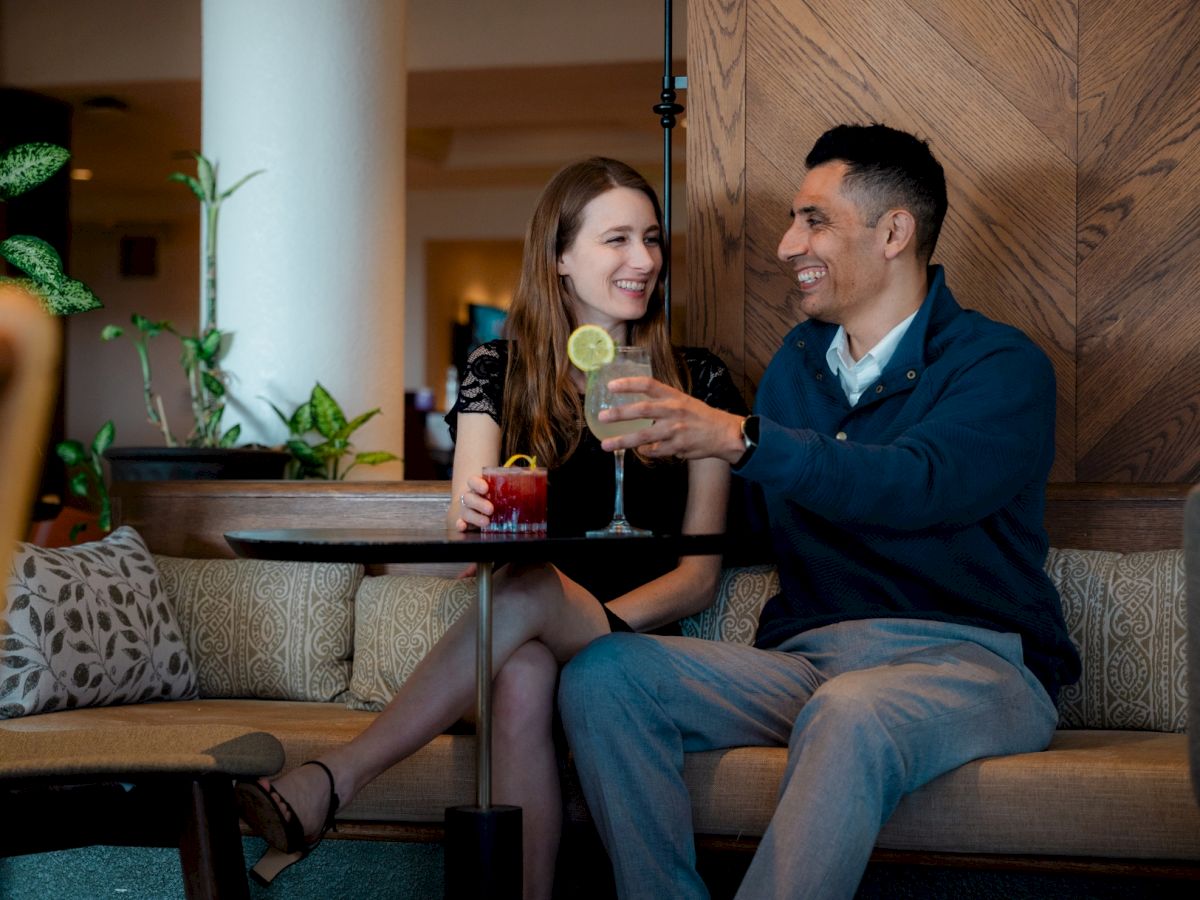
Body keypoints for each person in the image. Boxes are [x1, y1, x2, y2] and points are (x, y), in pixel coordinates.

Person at [557, 124, 1083, 899]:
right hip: (809, 663)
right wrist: (661, 463)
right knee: (603, 675)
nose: (784, 244)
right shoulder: (794, 371)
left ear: (895, 232)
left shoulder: (1000, 366)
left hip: (972, 664)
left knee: (849, 713)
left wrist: (737, 438)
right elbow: (764, 516)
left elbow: (914, 484)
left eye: (814, 220)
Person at [235, 157, 746, 898]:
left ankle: (336, 778)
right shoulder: (496, 370)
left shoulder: (698, 381)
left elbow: (699, 577)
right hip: (515, 630)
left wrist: (593, 628)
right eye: (617, 240)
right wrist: (470, 516)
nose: (643, 260)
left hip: (637, 647)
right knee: (524, 669)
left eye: (652, 238)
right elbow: (466, 515)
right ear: (561, 259)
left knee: (532, 592)